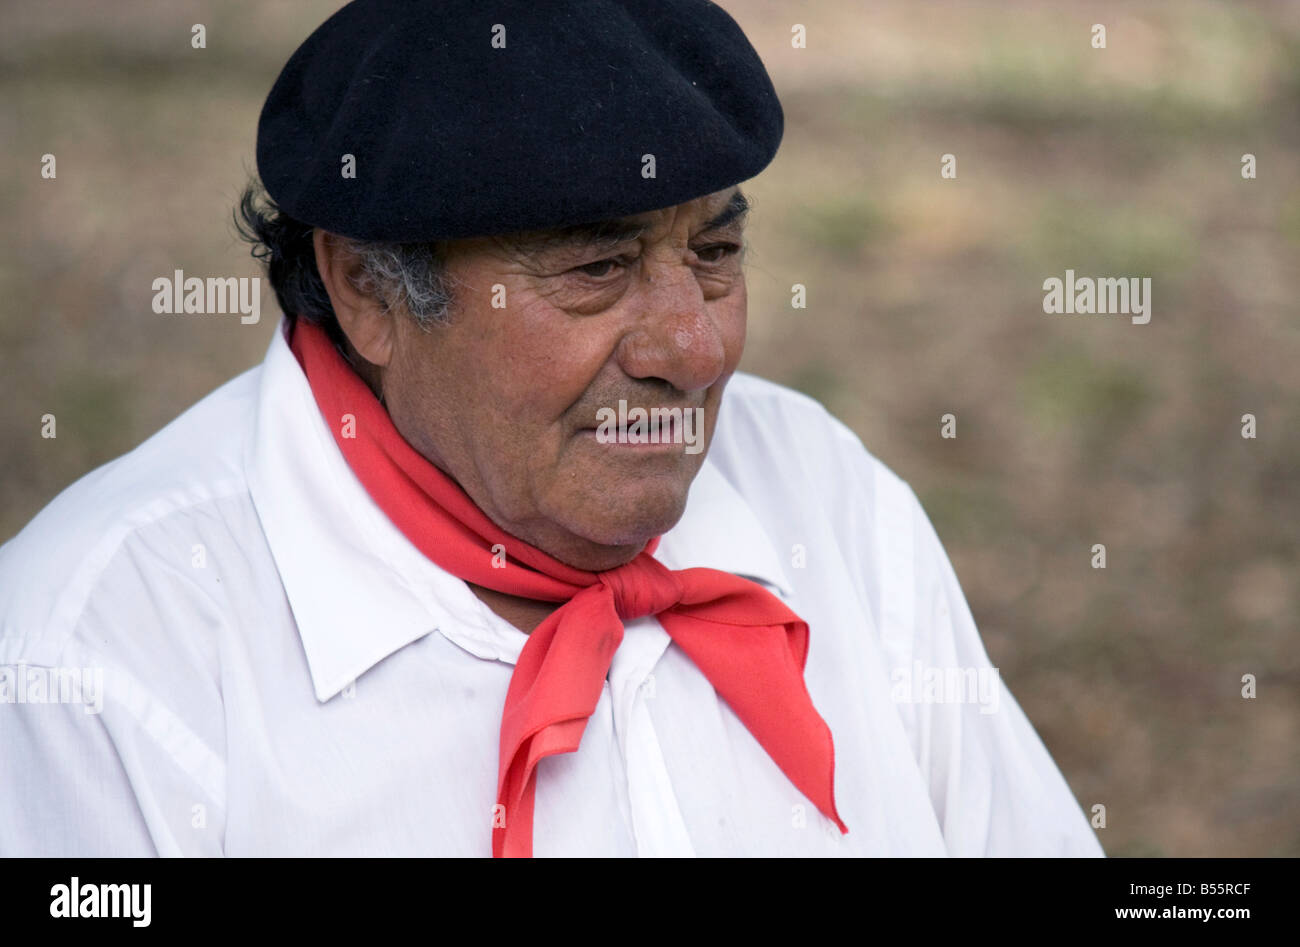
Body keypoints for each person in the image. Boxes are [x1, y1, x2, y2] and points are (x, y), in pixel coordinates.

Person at [0, 0, 1103, 857]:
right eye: (597, 266)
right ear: (369, 289)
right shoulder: (101, 655)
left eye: (714, 254)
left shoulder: (829, 500)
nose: (695, 348)